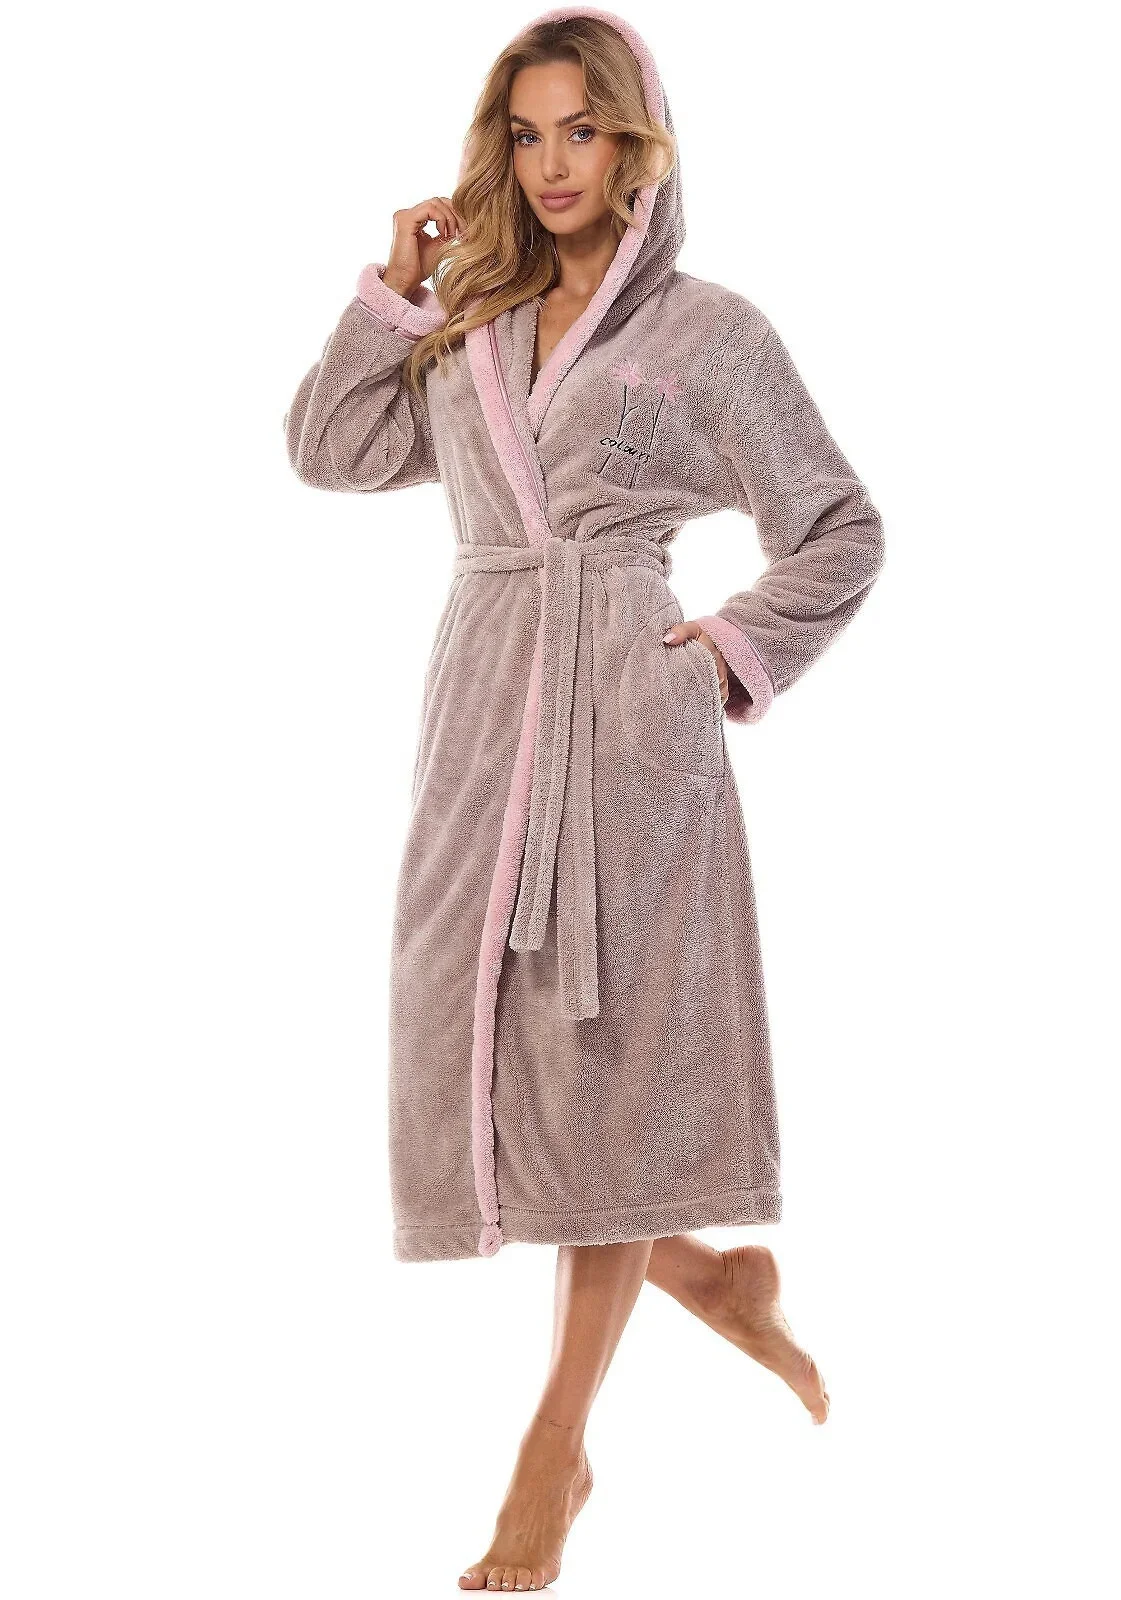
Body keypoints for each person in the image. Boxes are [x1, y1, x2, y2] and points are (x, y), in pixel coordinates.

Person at [283, 6, 884, 1590]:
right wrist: (395, 292)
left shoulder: (708, 335)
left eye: (584, 130)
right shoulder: (473, 321)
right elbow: (329, 450)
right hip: (483, 719)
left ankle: (552, 1454)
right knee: (503, 1082)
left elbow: (839, 525)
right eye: (528, 132)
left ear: (636, 145)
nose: (554, 164)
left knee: (602, 1079)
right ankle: (714, 1285)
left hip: (627, 727)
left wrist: (726, 655)